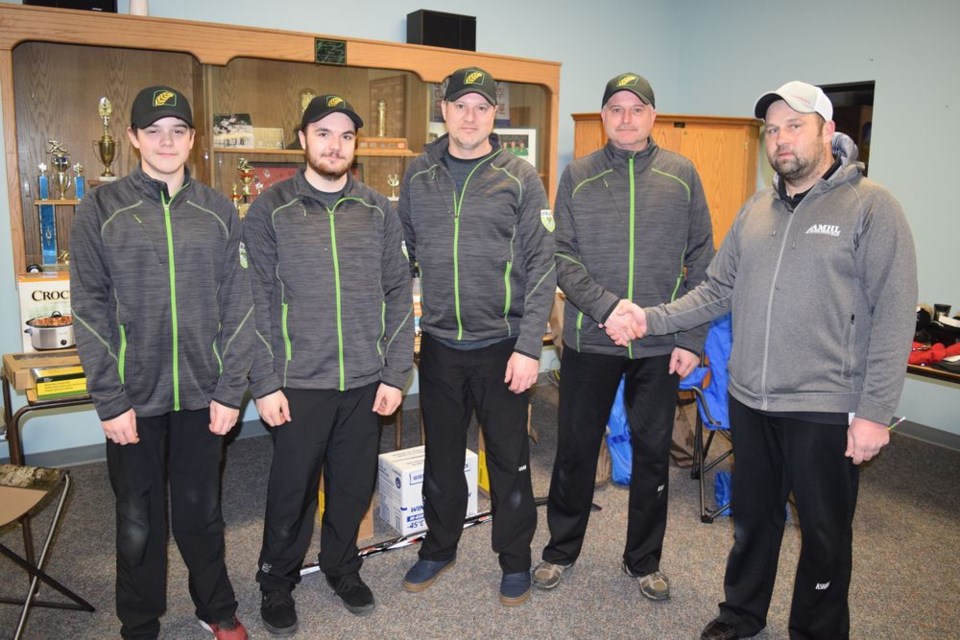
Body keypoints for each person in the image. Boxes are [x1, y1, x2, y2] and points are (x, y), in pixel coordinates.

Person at [624, 81, 917, 640]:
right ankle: (741, 617)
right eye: (772, 129)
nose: (780, 139)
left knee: (826, 536)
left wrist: (876, 412)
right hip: (751, 399)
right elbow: (715, 290)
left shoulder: (871, 208)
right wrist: (650, 318)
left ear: (828, 132)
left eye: (795, 126)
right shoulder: (757, 208)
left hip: (825, 406)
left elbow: (895, 314)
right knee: (753, 523)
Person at [70, 85, 252, 640]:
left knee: (202, 512)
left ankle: (214, 606)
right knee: (137, 519)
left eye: (178, 131)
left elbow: (241, 306)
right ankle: (140, 621)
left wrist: (230, 391)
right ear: (133, 138)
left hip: (203, 395)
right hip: (133, 400)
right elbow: (89, 310)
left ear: (194, 140)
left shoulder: (219, 211)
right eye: (154, 131)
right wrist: (109, 398)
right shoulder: (100, 209)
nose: (166, 141)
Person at [532, 72, 715, 600]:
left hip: (659, 344)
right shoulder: (579, 176)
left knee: (653, 454)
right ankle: (559, 551)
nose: (627, 118)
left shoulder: (682, 175)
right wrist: (609, 308)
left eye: (637, 109)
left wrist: (691, 337)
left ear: (652, 116)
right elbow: (560, 255)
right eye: (616, 108)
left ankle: (643, 562)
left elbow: (703, 261)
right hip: (592, 339)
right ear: (604, 116)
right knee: (574, 451)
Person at [244, 94, 413, 635]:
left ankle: (343, 567)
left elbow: (396, 293)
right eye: (323, 133)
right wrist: (265, 384)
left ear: (354, 145)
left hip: (365, 380)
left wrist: (394, 373)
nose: (334, 144)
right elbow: (256, 303)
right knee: (291, 491)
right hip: (298, 384)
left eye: (344, 136)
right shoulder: (272, 209)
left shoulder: (377, 210)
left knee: (351, 485)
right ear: (303, 140)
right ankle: (276, 581)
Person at [396, 66, 556, 606]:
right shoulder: (418, 176)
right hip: (439, 346)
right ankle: (438, 548)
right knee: (441, 457)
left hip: (502, 348)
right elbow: (403, 255)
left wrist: (530, 346)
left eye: (481, 107)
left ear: (494, 115)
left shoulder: (519, 176)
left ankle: (515, 559)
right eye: (461, 105)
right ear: (443, 110)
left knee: (509, 461)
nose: (470, 116)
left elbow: (542, 266)